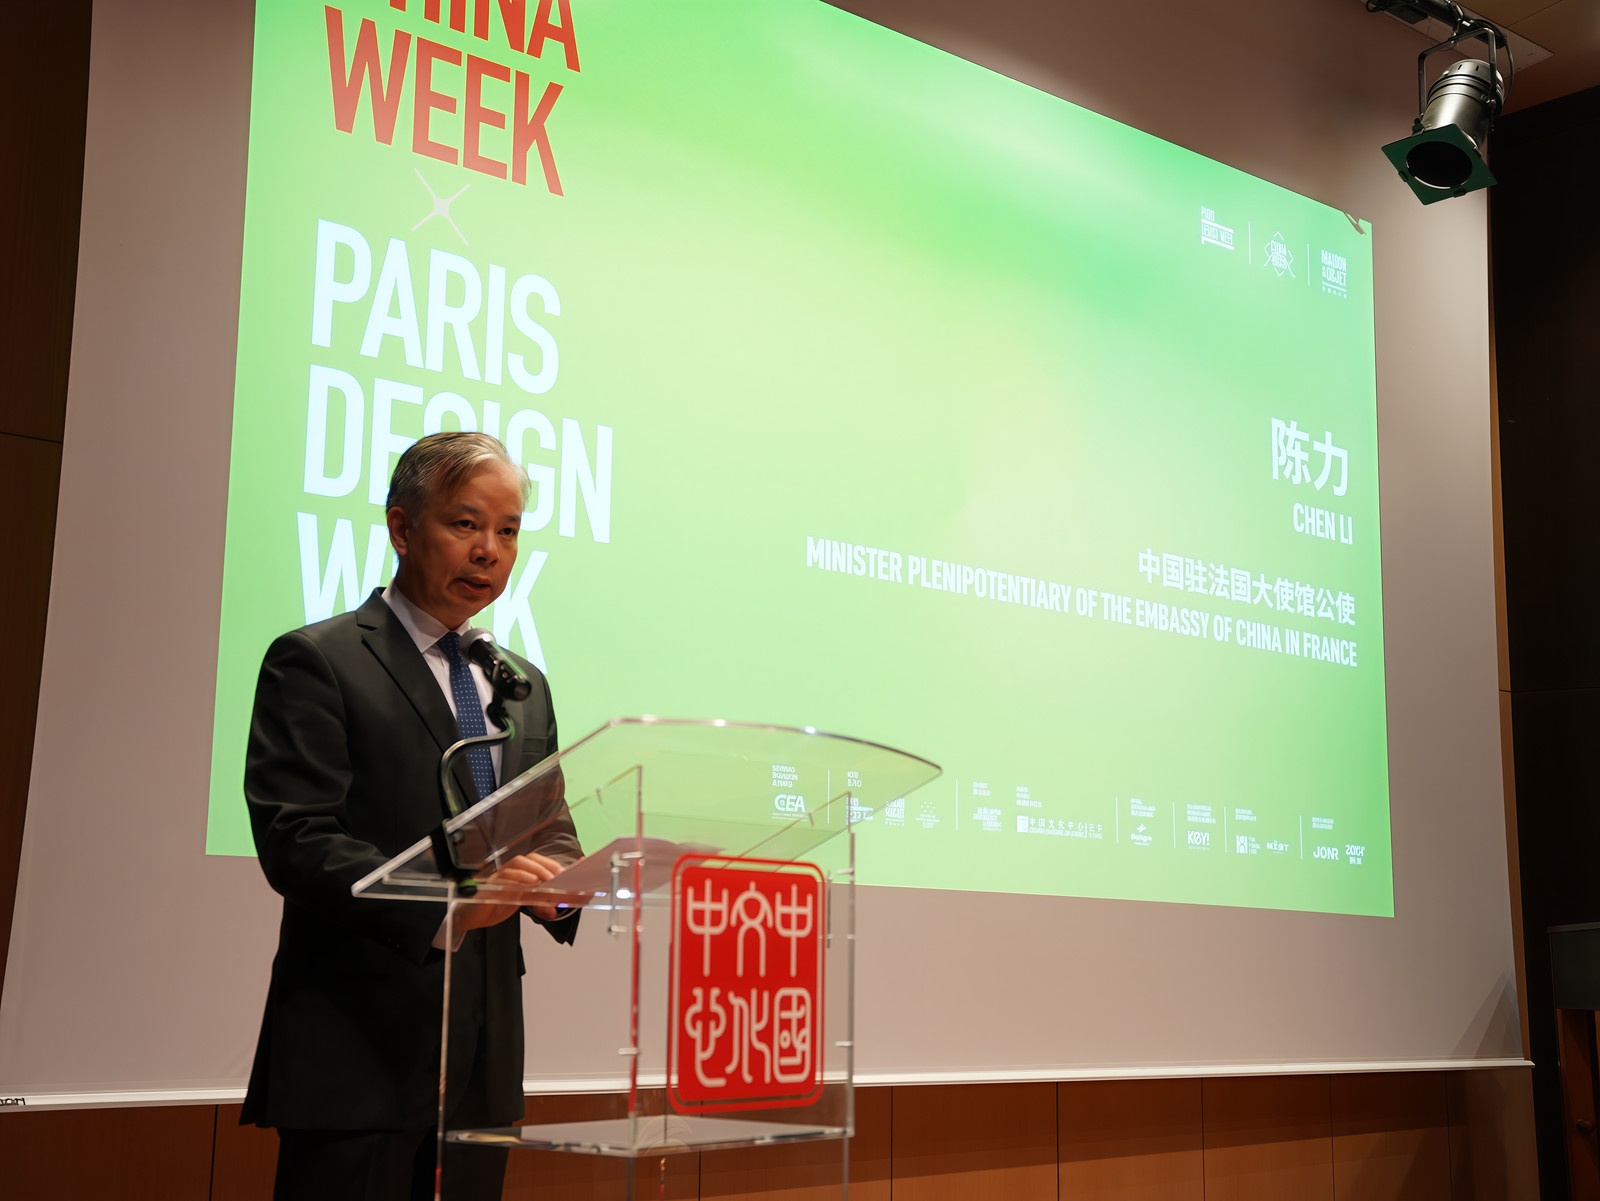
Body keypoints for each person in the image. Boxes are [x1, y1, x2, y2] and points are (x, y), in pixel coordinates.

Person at [241, 431, 580, 1201]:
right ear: (401, 528)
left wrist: (564, 883)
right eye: (465, 523)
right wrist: (451, 903)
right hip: (358, 1053)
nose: (489, 550)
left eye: (508, 530)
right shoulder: (319, 660)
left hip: (482, 1062)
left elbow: (549, 826)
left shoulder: (522, 684)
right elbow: (298, 839)